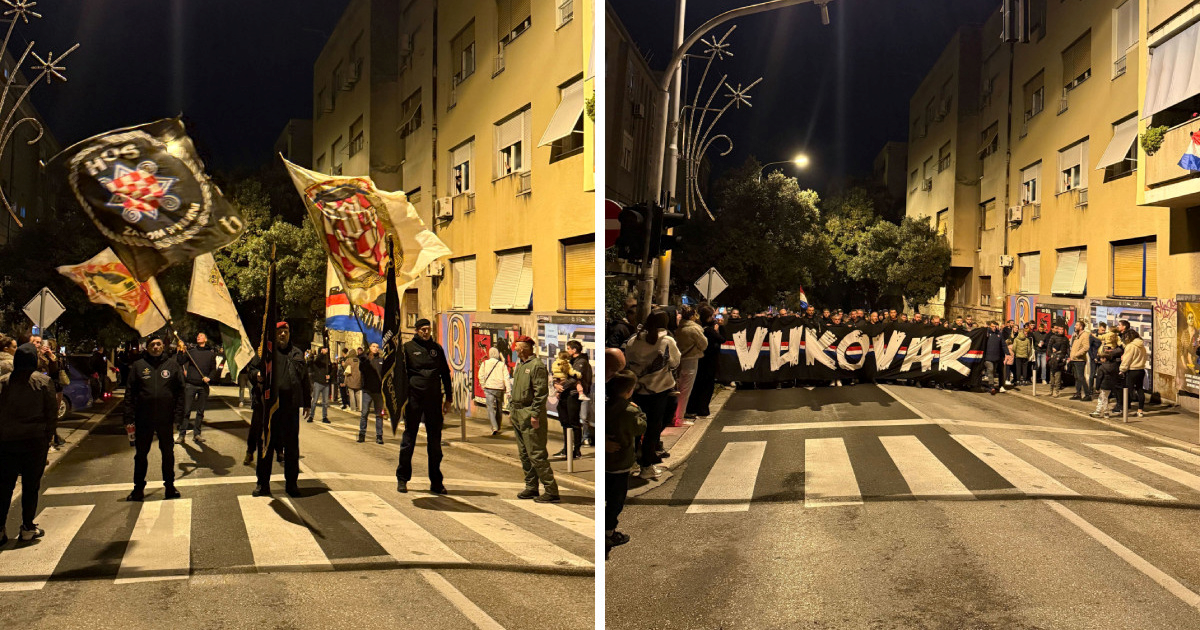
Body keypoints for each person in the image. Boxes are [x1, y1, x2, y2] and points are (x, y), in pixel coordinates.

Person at [0, 342, 57, 544]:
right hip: (34, 442)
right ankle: (27, 527)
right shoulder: (43, 381)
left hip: (7, 442)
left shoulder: (4, 382)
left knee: (5, 486)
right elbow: (51, 413)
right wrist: (48, 437)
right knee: (30, 486)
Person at [123, 335, 185, 502]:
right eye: (152, 345)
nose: (156, 347)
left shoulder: (172, 366)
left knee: (168, 454)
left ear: (163, 347)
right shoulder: (138, 366)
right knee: (141, 455)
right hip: (143, 418)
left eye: (158, 344)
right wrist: (128, 417)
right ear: (147, 348)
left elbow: (180, 392)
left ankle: (170, 487)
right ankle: (138, 489)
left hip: (166, 418)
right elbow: (130, 393)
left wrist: (178, 416)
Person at [253, 322, 311, 497]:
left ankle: (292, 484)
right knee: (266, 446)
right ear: (274, 334)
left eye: (285, 331)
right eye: (279, 332)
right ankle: (263, 484)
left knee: (292, 448)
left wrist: (307, 402)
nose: (283, 334)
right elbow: (252, 369)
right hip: (270, 408)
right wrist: (257, 376)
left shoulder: (297, 353)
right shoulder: (265, 352)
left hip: (290, 407)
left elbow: (304, 379)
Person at [397, 319, 453, 494]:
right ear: (416, 330)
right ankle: (402, 478)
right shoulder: (407, 348)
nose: (426, 332)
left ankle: (436, 482)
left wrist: (449, 399)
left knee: (435, 443)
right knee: (409, 440)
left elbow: (445, 373)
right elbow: (399, 374)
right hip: (414, 399)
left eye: (428, 329)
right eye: (423, 329)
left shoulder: (437, 349)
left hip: (434, 400)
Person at [624, 310, 680, 481]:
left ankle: (633, 459)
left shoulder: (634, 340)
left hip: (637, 389)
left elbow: (628, 360)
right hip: (659, 389)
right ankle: (646, 465)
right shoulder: (666, 341)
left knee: (635, 425)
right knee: (653, 428)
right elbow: (675, 362)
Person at [509, 335, 560, 502]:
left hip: (529, 413)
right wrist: (511, 409)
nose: (515, 349)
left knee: (536, 454)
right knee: (524, 454)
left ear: (523, 348)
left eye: (516, 347)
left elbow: (541, 393)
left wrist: (535, 414)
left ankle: (551, 490)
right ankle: (531, 487)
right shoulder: (521, 365)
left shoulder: (536, 366)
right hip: (517, 413)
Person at [605, 369, 645, 558]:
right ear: (629, 390)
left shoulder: (605, 405)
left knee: (608, 496)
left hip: (607, 462)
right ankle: (609, 533)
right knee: (616, 500)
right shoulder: (629, 411)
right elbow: (640, 427)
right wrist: (639, 411)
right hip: (621, 462)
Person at [553, 339, 592, 460]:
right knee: (565, 422)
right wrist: (556, 384)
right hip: (565, 394)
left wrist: (562, 387)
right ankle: (567, 448)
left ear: (574, 350)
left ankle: (576, 450)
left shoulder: (581, 362)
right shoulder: (568, 361)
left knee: (574, 423)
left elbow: (574, 378)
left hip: (573, 395)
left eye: (569, 348)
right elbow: (561, 374)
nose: (567, 351)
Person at [178, 332, 218, 445]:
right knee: (186, 410)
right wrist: (181, 350)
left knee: (200, 412)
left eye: (201, 336)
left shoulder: (210, 354)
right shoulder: (191, 352)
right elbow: (180, 361)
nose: (198, 337)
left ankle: (197, 434)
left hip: (203, 386)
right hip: (190, 385)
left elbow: (213, 369)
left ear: (205, 339)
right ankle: (182, 435)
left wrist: (209, 378)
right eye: (197, 336)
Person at [687, 305, 724, 420]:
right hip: (708, 360)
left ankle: (695, 408)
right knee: (706, 386)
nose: (714, 317)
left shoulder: (698, 328)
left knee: (697, 385)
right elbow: (721, 339)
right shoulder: (708, 330)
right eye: (713, 315)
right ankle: (702, 408)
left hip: (699, 360)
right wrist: (719, 329)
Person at [478, 346, 510, 435]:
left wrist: (483, 385)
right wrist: (508, 390)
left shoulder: (485, 363)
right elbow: (506, 378)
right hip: (500, 389)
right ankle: (498, 425)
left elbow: (480, 375)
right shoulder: (502, 364)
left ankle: (494, 427)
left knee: (490, 409)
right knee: (499, 408)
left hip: (488, 388)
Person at [358, 342, 386, 444]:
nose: (375, 349)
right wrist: (364, 360)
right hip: (367, 390)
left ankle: (379, 436)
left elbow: (385, 374)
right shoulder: (366, 360)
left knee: (379, 415)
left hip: (378, 391)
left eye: (377, 347)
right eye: (373, 347)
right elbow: (361, 369)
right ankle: (362, 434)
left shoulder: (381, 360)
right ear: (370, 348)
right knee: (364, 413)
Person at [1119, 328, 1148, 417]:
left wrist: (1122, 369)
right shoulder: (1142, 346)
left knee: (1128, 390)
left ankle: (1125, 410)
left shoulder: (1130, 346)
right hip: (1141, 370)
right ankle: (1140, 410)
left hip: (1132, 370)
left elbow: (1127, 359)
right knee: (1140, 390)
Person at [307, 345, 334, 424]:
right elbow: (316, 361)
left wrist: (330, 375)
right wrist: (322, 353)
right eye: (324, 349)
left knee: (325, 402)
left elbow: (331, 369)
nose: (326, 350)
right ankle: (311, 416)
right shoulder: (318, 359)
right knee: (314, 400)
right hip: (318, 382)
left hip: (326, 383)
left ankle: (324, 417)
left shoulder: (328, 359)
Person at [1091, 351, 1121, 419]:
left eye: (1101, 358)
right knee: (1103, 398)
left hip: (1104, 385)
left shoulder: (1102, 367)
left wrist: (1097, 387)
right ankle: (1100, 411)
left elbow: (1099, 378)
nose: (1100, 359)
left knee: (1103, 398)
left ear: (1104, 359)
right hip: (1111, 384)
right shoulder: (1114, 366)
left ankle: (1104, 412)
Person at [1068, 320, 1093, 402]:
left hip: (1080, 360)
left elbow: (1086, 347)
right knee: (1077, 377)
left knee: (1081, 377)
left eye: (1077, 325)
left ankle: (1087, 394)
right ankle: (1078, 393)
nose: (1075, 326)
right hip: (1074, 359)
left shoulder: (1085, 335)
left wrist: (1076, 355)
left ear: (1081, 327)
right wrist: (1071, 356)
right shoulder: (1077, 335)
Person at [1046, 323, 1071, 397]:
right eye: (1059, 329)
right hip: (1053, 358)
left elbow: (1067, 348)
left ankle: (1056, 391)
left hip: (1061, 359)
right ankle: (1051, 390)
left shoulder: (1065, 339)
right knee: (1052, 376)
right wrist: (1050, 355)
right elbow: (1049, 347)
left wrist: (1068, 356)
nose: (1061, 331)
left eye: (1062, 329)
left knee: (1058, 376)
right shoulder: (1053, 337)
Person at [344, 346, 363, 412]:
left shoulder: (348, 360)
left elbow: (345, 367)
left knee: (351, 394)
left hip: (351, 379)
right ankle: (360, 408)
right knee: (358, 394)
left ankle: (353, 408)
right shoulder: (358, 360)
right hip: (358, 380)